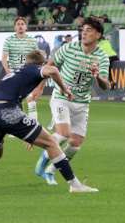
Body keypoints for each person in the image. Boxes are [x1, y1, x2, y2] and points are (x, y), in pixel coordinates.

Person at [0, 49, 98, 194]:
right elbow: (53, 70)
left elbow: (15, 100)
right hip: (6, 110)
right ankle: (75, 185)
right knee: (51, 143)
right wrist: (64, 89)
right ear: (41, 63)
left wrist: (29, 133)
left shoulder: (14, 74)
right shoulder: (34, 69)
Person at [34, 18, 110, 185]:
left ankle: (50, 170)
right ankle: (43, 160)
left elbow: (105, 85)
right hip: (62, 97)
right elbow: (50, 65)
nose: (84, 33)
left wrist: (98, 76)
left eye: (89, 30)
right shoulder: (69, 48)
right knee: (63, 133)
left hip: (82, 102)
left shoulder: (102, 57)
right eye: (83, 30)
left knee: (75, 144)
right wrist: (40, 87)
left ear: (98, 35)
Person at [1, 17, 40, 119]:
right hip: (15, 74)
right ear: (15, 27)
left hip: (29, 73)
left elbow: (37, 58)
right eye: (18, 24)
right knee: (16, 101)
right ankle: (20, 123)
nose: (20, 26)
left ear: (26, 27)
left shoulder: (32, 40)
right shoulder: (9, 40)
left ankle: (34, 123)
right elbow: (4, 58)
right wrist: (8, 72)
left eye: (22, 24)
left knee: (31, 99)